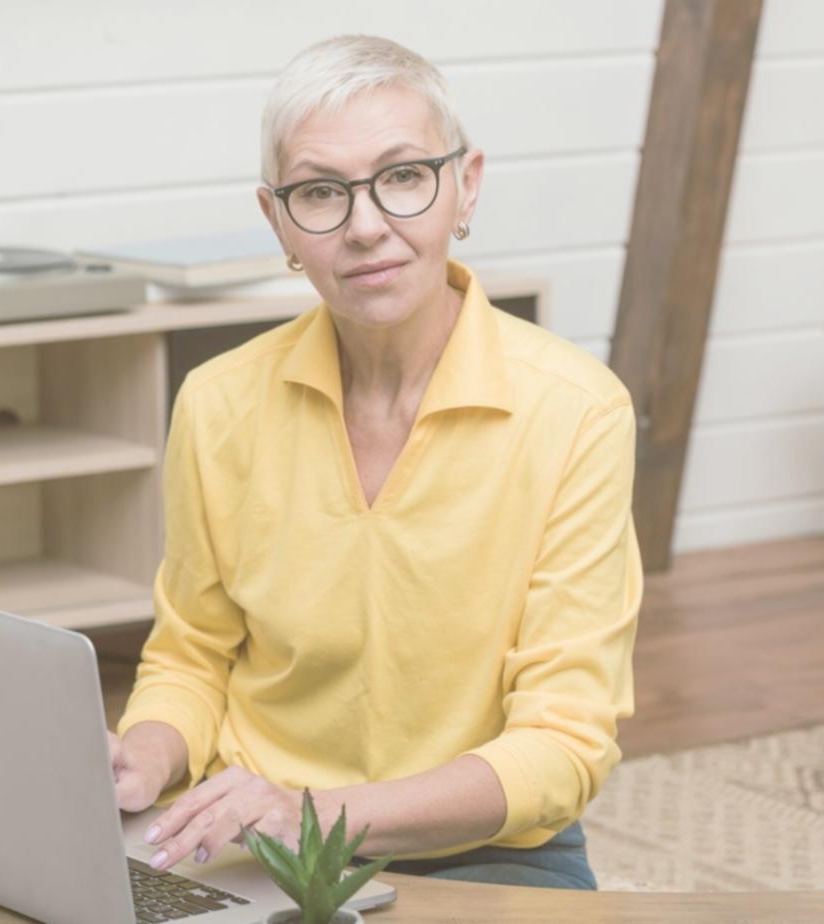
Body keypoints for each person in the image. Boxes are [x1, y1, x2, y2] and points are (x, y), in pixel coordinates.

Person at [107, 34, 641, 890]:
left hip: (484, 847)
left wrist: (315, 810)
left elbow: (563, 745)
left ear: (464, 187)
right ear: (277, 220)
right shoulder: (217, 402)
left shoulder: (578, 412)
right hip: (247, 835)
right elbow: (193, 657)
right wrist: (145, 754)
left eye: (402, 177)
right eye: (320, 192)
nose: (365, 226)